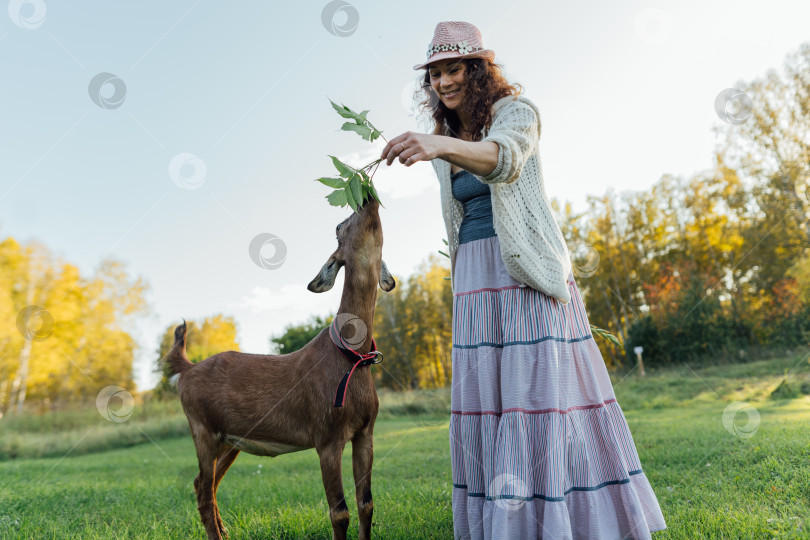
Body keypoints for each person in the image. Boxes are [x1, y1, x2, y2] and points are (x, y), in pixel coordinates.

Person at [380, 20, 667, 540]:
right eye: (436, 74)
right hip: (474, 280)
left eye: (454, 70)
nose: (443, 82)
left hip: (525, 274)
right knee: (485, 405)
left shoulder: (516, 114)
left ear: (477, 70)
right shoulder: (445, 139)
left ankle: (568, 524)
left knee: (535, 400)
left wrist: (439, 147)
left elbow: (505, 160)